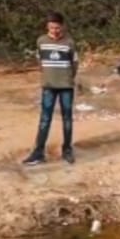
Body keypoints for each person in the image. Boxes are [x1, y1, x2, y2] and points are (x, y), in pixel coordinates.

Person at [23, 12, 79, 166]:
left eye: (57, 27)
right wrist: (48, 77)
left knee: (67, 118)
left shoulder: (69, 42)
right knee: (45, 119)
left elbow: (75, 64)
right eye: (52, 27)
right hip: (48, 86)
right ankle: (38, 152)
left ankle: (67, 149)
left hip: (66, 86)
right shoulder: (41, 41)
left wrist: (67, 78)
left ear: (62, 26)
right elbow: (40, 61)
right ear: (47, 27)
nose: (55, 30)